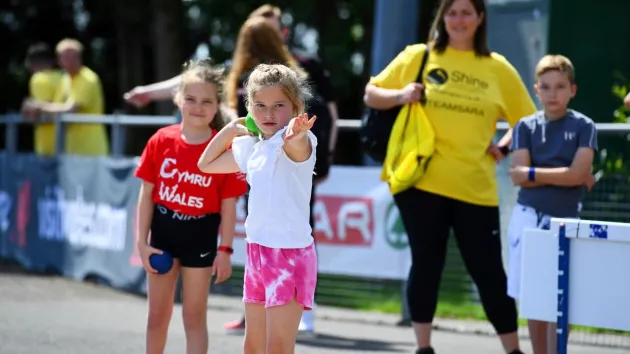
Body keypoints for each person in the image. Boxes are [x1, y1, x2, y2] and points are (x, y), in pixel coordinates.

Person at [363, 0, 537, 353]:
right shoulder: (418, 56)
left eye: (466, 12)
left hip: (476, 188)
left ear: (480, 19)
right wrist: (401, 94)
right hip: (421, 183)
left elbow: (528, 121)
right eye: (452, 12)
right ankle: (423, 348)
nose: (458, 20)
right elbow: (371, 93)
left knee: (489, 275)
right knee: (427, 265)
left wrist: (502, 149)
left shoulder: (497, 68)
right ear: (442, 17)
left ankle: (513, 350)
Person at [197, 63, 317, 354]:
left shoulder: (299, 141)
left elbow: (298, 148)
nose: (268, 114)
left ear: (296, 106)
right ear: (249, 107)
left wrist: (297, 134)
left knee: (277, 347)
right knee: (252, 346)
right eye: (260, 105)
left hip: (289, 255)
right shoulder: (252, 147)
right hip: (257, 253)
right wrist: (233, 127)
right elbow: (206, 164)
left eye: (279, 105)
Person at [134, 58, 248, 354]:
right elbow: (146, 195)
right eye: (190, 99)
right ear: (177, 99)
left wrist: (225, 250)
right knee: (157, 317)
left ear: (217, 105)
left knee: (194, 317)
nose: (198, 107)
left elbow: (229, 205)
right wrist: (141, 242)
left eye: (206, 101)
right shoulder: (161, 140)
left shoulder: (223, 149)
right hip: (163, 235)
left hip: (201, 236)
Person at [507, 55, 597, 354]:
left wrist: (534, 172)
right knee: (533, 295)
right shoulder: (524, 127)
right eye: (545, 87)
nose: (552, 93)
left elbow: (577, 173)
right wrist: (568, 175)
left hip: (568, 221)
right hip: (528, 216)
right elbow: (519, 179)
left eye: (560, 86)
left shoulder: (585, 126)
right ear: (536, 90)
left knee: (562, 296)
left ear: (573, 90)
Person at [21, 38, 109, 156]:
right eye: (66, 57)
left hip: (90, 151)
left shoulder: (88, 78)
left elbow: (70, 108)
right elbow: (55, 107)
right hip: (71, 149)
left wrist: (37, 106)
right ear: (59, 60)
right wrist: (31, 110)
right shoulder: (65, 79)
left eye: (74, 56)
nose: (71, 61)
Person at [20, 42, 63, 156]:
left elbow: (37, 110)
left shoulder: (38, 79)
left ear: (31, 64)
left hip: (47, 146)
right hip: (70, 143)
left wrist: (28, 106)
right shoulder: (66, 77)